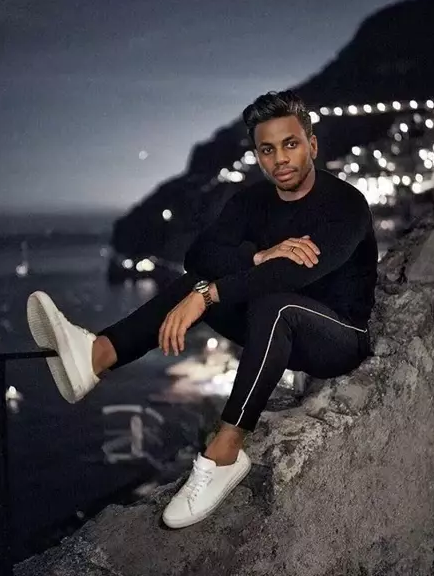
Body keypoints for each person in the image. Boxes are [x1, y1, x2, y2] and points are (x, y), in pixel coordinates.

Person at [27, 90, 378, 530]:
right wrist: (255, 255)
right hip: (274, 335)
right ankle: (98, 355)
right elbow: (199, 256)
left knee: (271, 302)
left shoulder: (345, 204)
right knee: (194, 284)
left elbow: (291, 277)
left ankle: (225, 451)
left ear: (312, 144)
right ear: (258, 155)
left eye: (290, 144)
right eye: (267, 150)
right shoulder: (251, 202)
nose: (280, 159)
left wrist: (208, 295)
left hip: (338, 337)